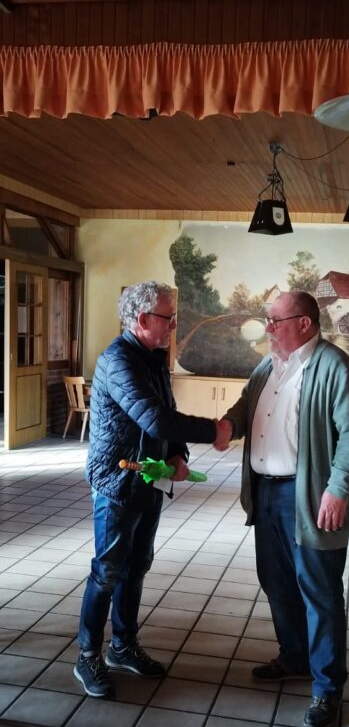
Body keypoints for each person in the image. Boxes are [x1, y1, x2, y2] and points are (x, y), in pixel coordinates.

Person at [217, 290, 349, 727]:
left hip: (310, 498)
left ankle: (327, 689)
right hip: (266, 494)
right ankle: (294, 658)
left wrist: (338, 489)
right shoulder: (269, 366)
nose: (267, 328)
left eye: (275, 320)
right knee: (277, 582)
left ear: (305, 323)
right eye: (267, 320)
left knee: (319, 593)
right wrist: (227, 425)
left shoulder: (336, 368)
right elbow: (245, 408)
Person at [74, 281, 230, 699]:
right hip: (117, 482)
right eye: (168, 317)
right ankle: (87, 655)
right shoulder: (118, 360)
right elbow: (154, 419)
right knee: (106, 571)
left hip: (150, 478)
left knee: (137, 564)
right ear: (143, 320)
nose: (174, 324)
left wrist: (179, 455)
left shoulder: (155, 357)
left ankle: (122, 646)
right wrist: (214, 430)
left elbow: (166, 414)